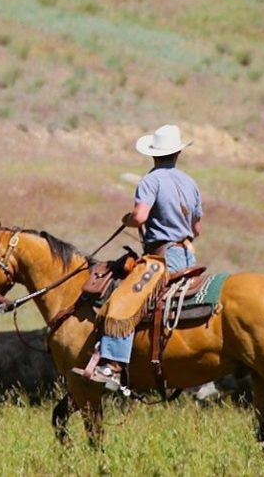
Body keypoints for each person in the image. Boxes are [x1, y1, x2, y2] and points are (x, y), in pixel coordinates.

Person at [74, 124, 203, 391]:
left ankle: (112, 366)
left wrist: (129, 219)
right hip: (189, 256)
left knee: (121, 300)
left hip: (162, 258)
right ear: (177, 153)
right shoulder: (190, 183)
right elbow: (197, 228)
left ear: (154, 155)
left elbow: (140, 216)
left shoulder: (150, 181)